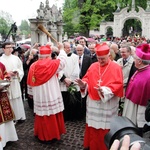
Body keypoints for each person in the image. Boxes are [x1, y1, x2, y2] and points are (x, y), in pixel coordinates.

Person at [75, 43, 123, 150]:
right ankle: (92, 146)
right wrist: (83, 84)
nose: (100, 61)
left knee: (104, 128)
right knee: (92, 126)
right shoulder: (93, 66)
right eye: (98, 58)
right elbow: (87, 78)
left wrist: (104, 90)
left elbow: (118, 84)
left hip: (107, 104)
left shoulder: (116, 67)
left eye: (103, 59)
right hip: (93, 102)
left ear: (109, 56)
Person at [27, 43, 67, 142]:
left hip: (39, 94)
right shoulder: (52, 64)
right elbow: (63, 61)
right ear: (49, 55)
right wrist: (61, 49)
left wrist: (31, 93)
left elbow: (30, 81)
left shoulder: (33, 65)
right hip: (51, 93)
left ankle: (42, 133)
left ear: (40, 55)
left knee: (42, 114)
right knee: (51, 113)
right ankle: (52, 134)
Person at [123, 43, 150, 135]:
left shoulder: (147, 76)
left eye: (134, 59)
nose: (133, 61)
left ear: (139, 61)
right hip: (131, 104)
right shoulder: (140, 69)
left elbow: (144, 99)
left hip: (137, 109)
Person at [0, 42, 26, 123]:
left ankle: (19, 116)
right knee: (9, 99)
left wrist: (17, 72)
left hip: (15, 81)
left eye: (11, 47)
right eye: (8, 47)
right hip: (5, 83)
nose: (10, 49)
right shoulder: (1, 59)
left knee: (16, 98)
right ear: (3, 49)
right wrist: (7, 74)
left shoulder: (16, 58)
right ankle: (10, 117)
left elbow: (21, 69)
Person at [0, 62, 18, 148]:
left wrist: (6, 80)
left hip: (2, 94)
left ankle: (7, 137)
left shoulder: (1, 64)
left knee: (6, 117)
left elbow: (5, 74)